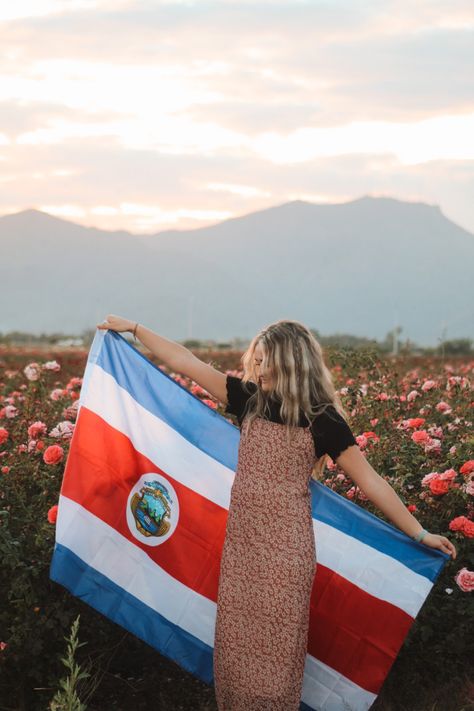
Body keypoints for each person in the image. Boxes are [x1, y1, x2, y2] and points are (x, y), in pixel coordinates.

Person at [96, 315, 457, 711]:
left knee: (275, 657)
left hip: (287, 552)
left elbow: (371, 481)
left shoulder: (324, 420)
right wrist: (135, 329)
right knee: (236, 651)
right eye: (259, 359)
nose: (260, 368)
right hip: (242, 548)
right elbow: (187, 363)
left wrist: (420, 534)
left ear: (291, 362)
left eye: (267, 360)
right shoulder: (250, 399)